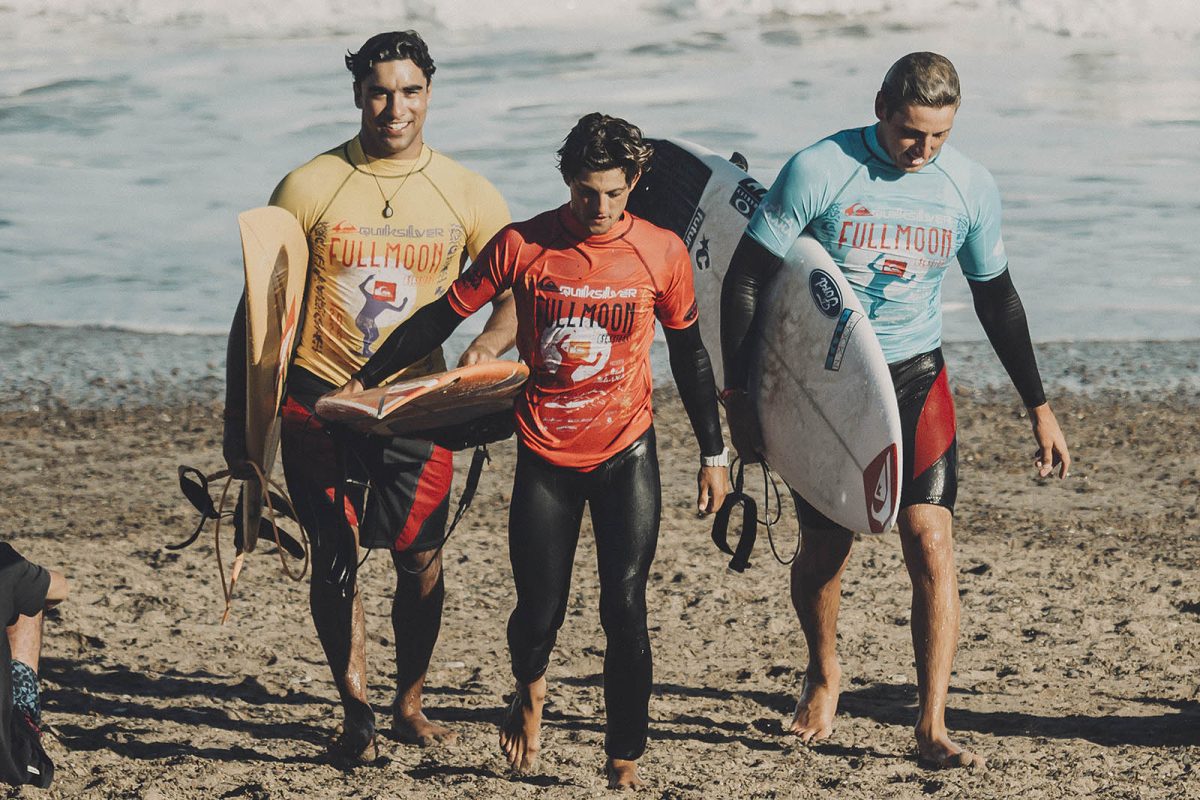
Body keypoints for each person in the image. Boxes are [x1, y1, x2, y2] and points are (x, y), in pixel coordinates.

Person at [327, 113, 732, 789]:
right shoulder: (524, 245)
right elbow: (442, 315)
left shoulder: (660, 251)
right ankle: (531, 688)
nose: (599, 208)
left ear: (634, 181)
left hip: (626, 449)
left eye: (612, 193)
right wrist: (365, 381)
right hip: (545, 452)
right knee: (538, 612)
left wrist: (713, 455)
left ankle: (623, 757)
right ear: (567, 180)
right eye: (585, 192)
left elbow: (689, 355)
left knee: (625, 606)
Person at [720, 52, 1070, 769]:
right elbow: (746, 280)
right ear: (881, 106)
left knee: (929, 541)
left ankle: (931, 723)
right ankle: (824, 672)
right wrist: (740, 397)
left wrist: (1039, 407)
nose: (923, 149)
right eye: (911, 132)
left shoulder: (968, 186)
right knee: (826, 548)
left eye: (939, 135)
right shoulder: (821, 168)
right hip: (829, 380)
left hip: (915, 375)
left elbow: (997, 299)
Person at [222, 30, 515, 762]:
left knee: (420, 559)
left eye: (410, 91)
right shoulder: (308, 185)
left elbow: (516, 287)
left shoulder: (466, 191)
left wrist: (487, 347)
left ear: (429, 93)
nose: (395, 107)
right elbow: (259, 306)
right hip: (318, 395)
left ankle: (408, 702)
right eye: (380, 92)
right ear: (357, 93)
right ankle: (356, 713)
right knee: (334, 555)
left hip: (417, 403)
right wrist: (241, 426)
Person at [1, 542, 69, 788]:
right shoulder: (4, 562)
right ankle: (23, 718)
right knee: (30, 599)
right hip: (8, 760)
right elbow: (60, 589)